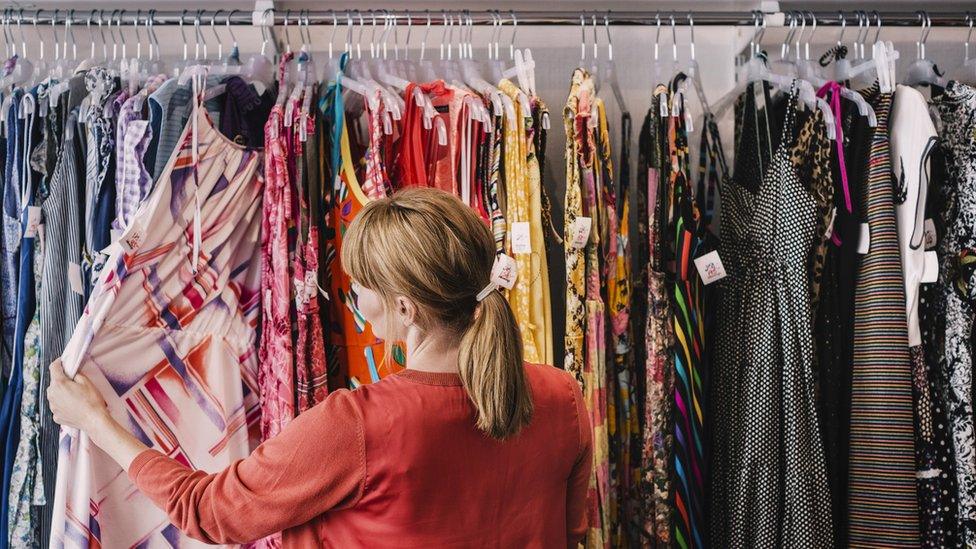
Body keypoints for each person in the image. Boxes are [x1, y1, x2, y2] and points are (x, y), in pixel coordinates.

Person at [47, 187, 593, 547]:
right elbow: (569, 534)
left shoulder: (359, 426)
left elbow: (211, 511)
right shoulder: (562, 398)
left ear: (405, 307)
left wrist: (97, 423)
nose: (356, 300)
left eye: (361, 288)